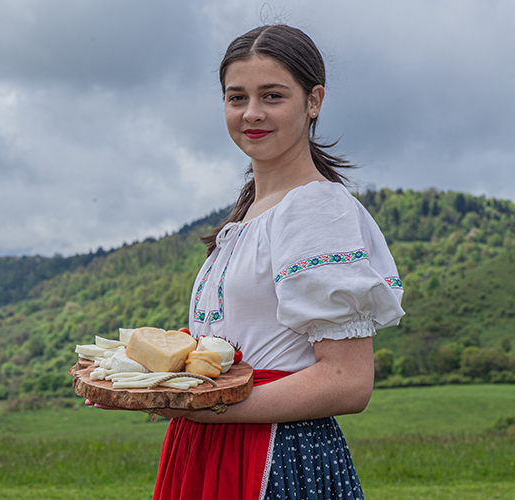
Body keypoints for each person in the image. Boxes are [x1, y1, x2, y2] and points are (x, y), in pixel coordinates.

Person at [87, 24, 405, 499]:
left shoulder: (315, 208)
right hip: (208, 442)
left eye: (272, 96)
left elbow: (347, 381)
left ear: (313, 101)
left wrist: (203, 407)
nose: (252, 113)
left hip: (273, 454)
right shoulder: (251, 212)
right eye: (237, 98)